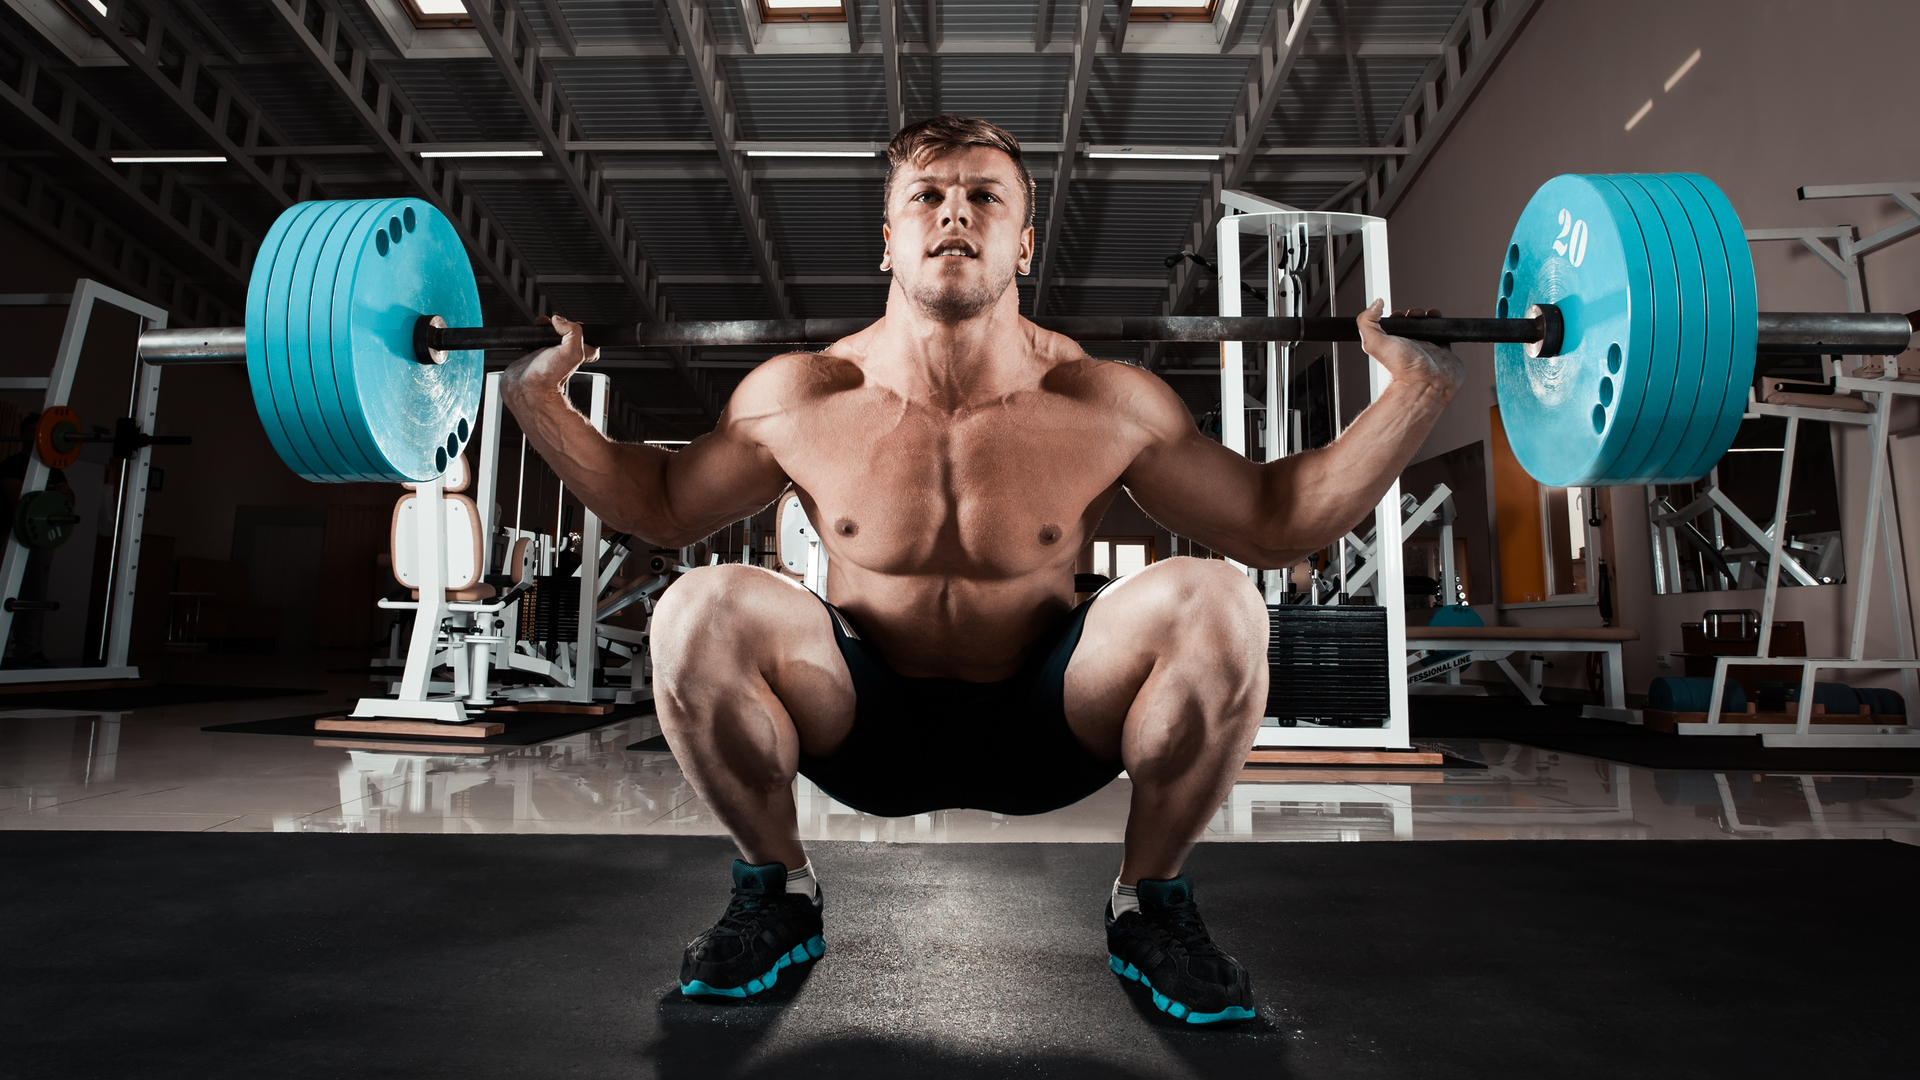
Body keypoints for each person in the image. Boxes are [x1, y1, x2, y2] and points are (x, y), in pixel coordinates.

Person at [501, 115, 1462, 1023]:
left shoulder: (1102, 399)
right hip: (863, 725)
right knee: (695, 609)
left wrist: (1415, 392)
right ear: (887, 240)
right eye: (927, 196)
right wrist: (543, 405)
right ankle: (777, 890)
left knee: (1220, 600)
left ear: (1025, 244)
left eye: (984, 197)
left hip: (1045, 723)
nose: (954, 213)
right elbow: (663, 507)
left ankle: (1150, 903)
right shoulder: (800, 396)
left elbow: (1274, 523)